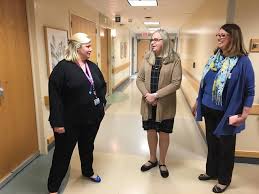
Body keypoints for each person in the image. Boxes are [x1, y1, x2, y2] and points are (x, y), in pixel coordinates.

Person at [192, 24, 255, 193]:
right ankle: (211, 172)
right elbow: (205, 83)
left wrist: (245, 113)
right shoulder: (215, 58)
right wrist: (198, 101)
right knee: (212, 144)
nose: (219, 38)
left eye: (223, 35)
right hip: (208, 108)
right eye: (218, 35)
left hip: (228, 113)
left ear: (233, 38)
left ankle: (224, 180)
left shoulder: (243, 62)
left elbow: (250, 90)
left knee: (226, 147)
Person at [47, 32, 106, 194]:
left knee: (87, 148)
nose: (91, 49)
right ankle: (53, 188)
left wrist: (101, 105)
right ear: (77, 48)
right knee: (62, 155)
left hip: (91, 119)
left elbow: (101, 85)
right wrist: (57, 122)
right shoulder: (62, 68)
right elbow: (55, 97)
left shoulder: (92, 66)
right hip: (69, 122)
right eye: (88, 46)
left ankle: (87, 171)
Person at [136, 29, 182, 178]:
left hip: (165, 105)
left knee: (163, 133)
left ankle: (162, 162)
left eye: (156, 39)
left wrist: (156, 95)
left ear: (165, 41)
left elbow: (176, 83)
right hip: (148, 104)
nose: (153, 42)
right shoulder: (147, 57)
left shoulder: (174, 59)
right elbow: (139, 79)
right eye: (152, 39)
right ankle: (152, 159)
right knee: (150, 131)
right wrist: (147, 95)